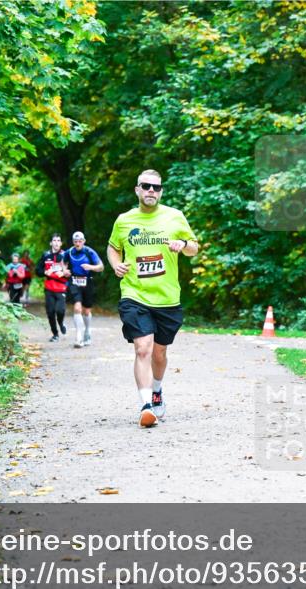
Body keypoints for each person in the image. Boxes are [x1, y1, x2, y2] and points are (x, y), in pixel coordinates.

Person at [107, 169, 199, 428]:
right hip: (134, 294)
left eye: (156, 188)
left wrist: (183, 246)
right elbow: (113, 247)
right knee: (143, 347)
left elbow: (194, 247)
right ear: (137, 189)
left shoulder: (175, 217)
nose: (151, 191)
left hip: (168, 298)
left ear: (161, 192)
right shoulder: (124, 220)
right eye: (146, 186)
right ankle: (146, 405)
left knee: (159, 352)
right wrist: (115, 264)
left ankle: (157, 390)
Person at [66, 231, 104, 348]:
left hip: (87, 282)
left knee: (86, 311)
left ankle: (87, 332)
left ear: (84, 241)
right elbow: (62, 263)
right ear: (73, 242)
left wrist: (90, 267)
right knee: (77, 308)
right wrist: (64, 271)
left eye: (80, 241)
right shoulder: (69, 252)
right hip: (74, 282)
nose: (78, 243)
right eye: (75, 241)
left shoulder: (89, 252)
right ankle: (78, 337)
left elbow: (101, 267)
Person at [35, 233, 70, 342]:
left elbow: (71, 271)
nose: (56, 243)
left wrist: (65, 273)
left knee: (60, 311)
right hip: (49, 288)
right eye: (54, 240)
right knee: (50, 312)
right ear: (51, 243)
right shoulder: (45, 255)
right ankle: (55, 334)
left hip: (61, 287)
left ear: (61, 243)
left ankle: (61, 323)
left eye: (58, 240)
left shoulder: (66, 255)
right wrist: (46, 272)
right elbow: (38, 271)